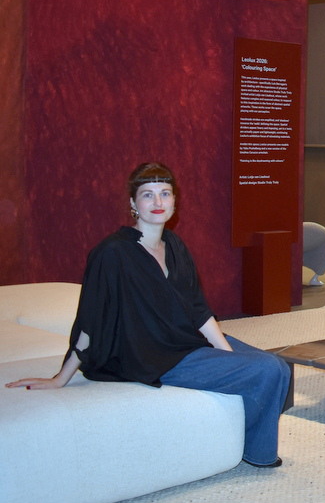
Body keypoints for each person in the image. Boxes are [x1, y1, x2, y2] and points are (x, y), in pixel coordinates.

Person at [4, 162, 291, 468]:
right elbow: (91, 319)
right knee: (267, 370)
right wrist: (61, 377)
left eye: (165, 193)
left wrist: (226, 355)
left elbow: (197, 308)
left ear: (174, 201)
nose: (157, 202)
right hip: (149, 355)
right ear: (133, 203)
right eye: (147, 194)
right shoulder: (113, 253)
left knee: (281, 366)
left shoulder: (175, 245)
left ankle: (239, 439)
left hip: (183, 340)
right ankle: (256, 452)